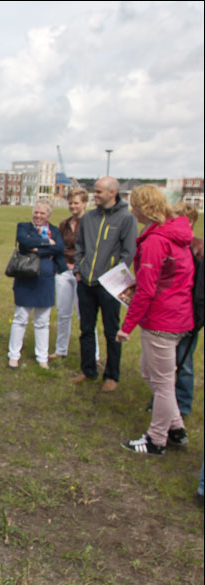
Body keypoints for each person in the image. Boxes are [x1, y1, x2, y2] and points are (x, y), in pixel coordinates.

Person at [117, 185, 193, 455]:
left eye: (134, 205)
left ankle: (156, 439)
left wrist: (127, 327)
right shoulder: (174, 235)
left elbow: (148, 289)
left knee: (161, 382)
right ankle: (176, 427)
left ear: (144, 207)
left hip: (162, 319)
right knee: (150, 373)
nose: (132, 210)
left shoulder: (156, 241)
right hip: (176, 314)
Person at [70, 177, 137, 392]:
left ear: (112, 193)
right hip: (85, 283)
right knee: (86, 329)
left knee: (111, 331)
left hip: (110, 286)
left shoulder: (126, 219)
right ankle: (88, 370)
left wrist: (111, 277)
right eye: (94, 191)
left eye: (98, 192)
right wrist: (79, 269)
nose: (94, 195)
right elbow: (79, 246)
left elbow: (128, 254)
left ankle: (112, 375)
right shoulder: (88, 217)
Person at [7, 200, 66, 369]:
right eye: (36, 212)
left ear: (48, 215)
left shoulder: (54, 230)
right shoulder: (23, 227)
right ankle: (14, 355)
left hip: (46, 279)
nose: (38, 216)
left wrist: (37, 248)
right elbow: (24, 243)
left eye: (42, 213)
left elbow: (60, 248)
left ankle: (42, 357)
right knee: (20, 318)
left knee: (42, 320)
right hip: (26, 277)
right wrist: (48, 244)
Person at [51, 188, 100, 362]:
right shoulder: (64, 224)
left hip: (83, 274)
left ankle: (93, 355)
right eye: (70, 202)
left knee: (85, 314)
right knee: (63, 312)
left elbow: (93, 250)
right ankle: (60, 349)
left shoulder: (92, 222)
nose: (73, 206)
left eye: (76, 202)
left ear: (84, 203)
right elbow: (59, 247)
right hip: (64, 272)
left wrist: (80, 268)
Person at [170, 201, 203, 418]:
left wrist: (196, 319)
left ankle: (182, 404)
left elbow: (200, 292)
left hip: (190, 316)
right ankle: (162, 401)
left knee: (184, 362)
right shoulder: (172, 245)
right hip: (169, 314)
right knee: (165, 362)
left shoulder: (198, 250)